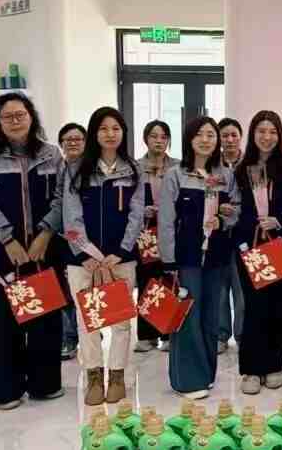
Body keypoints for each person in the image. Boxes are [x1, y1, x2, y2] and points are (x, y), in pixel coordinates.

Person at [0, 93, 64, 410]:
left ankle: (44, 384)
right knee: (1, 319)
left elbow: (61, 197)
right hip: (2, 251)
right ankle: (5, 389)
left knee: (45, 315)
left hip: (43, 248)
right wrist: (7, 239)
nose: (15, 121)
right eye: (7, 116)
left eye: (20, 114)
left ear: (31, 117)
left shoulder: (51, 154)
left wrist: (45, 233)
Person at [62, 106, 145, 406]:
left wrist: (120, 252)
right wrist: (84, 253)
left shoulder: (133, 169)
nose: (110, 134)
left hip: (121, 260)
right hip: (82, 261)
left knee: (121, 321)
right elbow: (70, 215)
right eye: (103, 128)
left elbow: (136, 214)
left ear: (123, 133)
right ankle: (94, 377)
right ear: (94, 133)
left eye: (116, 128)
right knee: (88, 320)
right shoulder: (75, 169)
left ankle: (118, 376)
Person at [158, 116, 240, 400]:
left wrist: (224, 219)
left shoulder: (226, 175)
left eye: (211, 135)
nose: (206, 140)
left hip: (217, 257)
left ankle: (205, 374)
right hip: (187, 258)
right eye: (200, 135)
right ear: (189, 139)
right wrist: (169, 261)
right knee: (187, 316)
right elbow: (166, 221)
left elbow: (236, 209)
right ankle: (187, 380)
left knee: (211, 315)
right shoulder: (175, 175)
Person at [236, 111, 282, 395]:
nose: (267, 137)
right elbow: (233, 208)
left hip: (279, 247)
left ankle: (274, 365)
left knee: (277, 307)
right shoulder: (240, 169)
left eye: (272, 131)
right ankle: (251, 368)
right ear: (253, 134)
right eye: (261, 131)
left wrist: (280, 221)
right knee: (253, 308)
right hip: (249, 248)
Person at [133, 120, 178, 354]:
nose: (159, 141)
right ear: (145, 139)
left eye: (163, 136)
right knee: (146, 282)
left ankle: (168, 334)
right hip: (145, 234)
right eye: (154, 136)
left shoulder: (178, 166)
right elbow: (128, 201)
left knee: (169, 281)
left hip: (170, 232)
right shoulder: (135, 167)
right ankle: (147, 335)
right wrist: (143, 211)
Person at [55, 123, 86, 360]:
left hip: (83, 240)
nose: (73, 143)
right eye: (68, 139)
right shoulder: (56, 168)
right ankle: (69, 336)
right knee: (63, 291)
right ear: (61, 144)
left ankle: (84, 331)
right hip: (57, 238)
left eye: (77, 139)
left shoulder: (90, 170)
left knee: (83, 290)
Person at [215, 116, 246, 354]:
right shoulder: (212, 166)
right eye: (224, 135)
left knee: (241, 289)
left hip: (243, 235)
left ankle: (242, 334)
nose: (229, 140)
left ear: (240, 137)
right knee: (220, 289)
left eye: (234, 135)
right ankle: (221, 335)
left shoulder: (249, 165)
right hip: (217, 235)